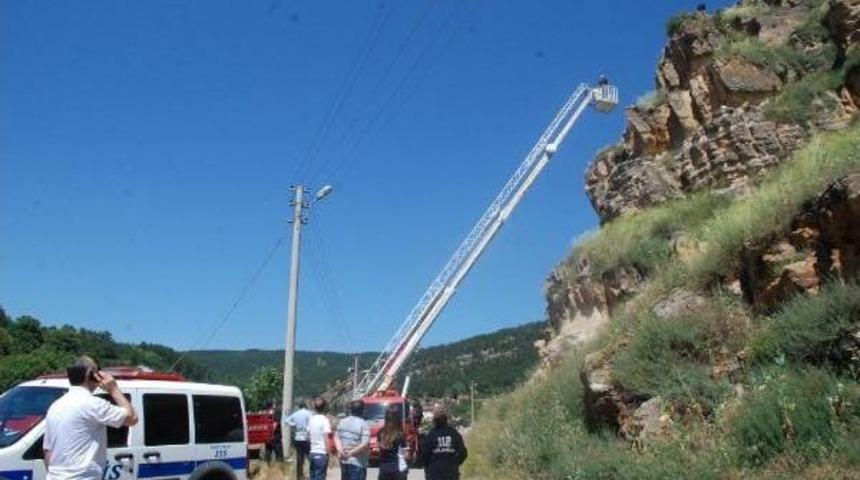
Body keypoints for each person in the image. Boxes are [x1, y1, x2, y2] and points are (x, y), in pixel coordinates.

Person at [43, 357, 138, 480]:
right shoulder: (93, 404)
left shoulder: (55, 406)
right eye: (97, 371)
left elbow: (47, 451)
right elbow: (132, 418)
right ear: (90, 375)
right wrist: (113, 389)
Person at [420, 404, 467, 480]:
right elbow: (463, 454)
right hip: (451, 474)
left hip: (434, 474)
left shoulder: (431, 435)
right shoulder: (454, 434)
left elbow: (424, 457)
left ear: (434, 420)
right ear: (446, 419)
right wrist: (455, 463)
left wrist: (430, 467)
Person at [334, 400, 370, 480]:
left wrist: (340, 450)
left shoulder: (342, 422)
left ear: (351, 410)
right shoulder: (363, 424)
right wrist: (350, 453)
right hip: (358, 462)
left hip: (344, 461)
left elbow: (337, 437)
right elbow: (365, 443)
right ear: (362, 410)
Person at [377, 407, 409, 480]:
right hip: (398, 469)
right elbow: (405, 455)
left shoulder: (381, 432)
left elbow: (380, 450)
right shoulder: (400, 434)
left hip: (384, 469)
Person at [287, 401, 314, 480]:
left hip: (298, 438)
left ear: (299, 407)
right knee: (310, 457)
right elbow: (312, 423)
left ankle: (299, 476)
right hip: (306, 438)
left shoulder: (296, 414)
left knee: (299, 458)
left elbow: (287, 420)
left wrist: (294, 424)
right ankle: (312, 475)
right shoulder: (308, 413)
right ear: (305, 406)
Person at [307, 396, 333, 480]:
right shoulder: (325, 420)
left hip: (312, 453)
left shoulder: (311, 420)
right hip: (321, 453)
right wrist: (329, 453)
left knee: (313, 477)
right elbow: (326, 438)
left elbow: (308, 437)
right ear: (325, 408)